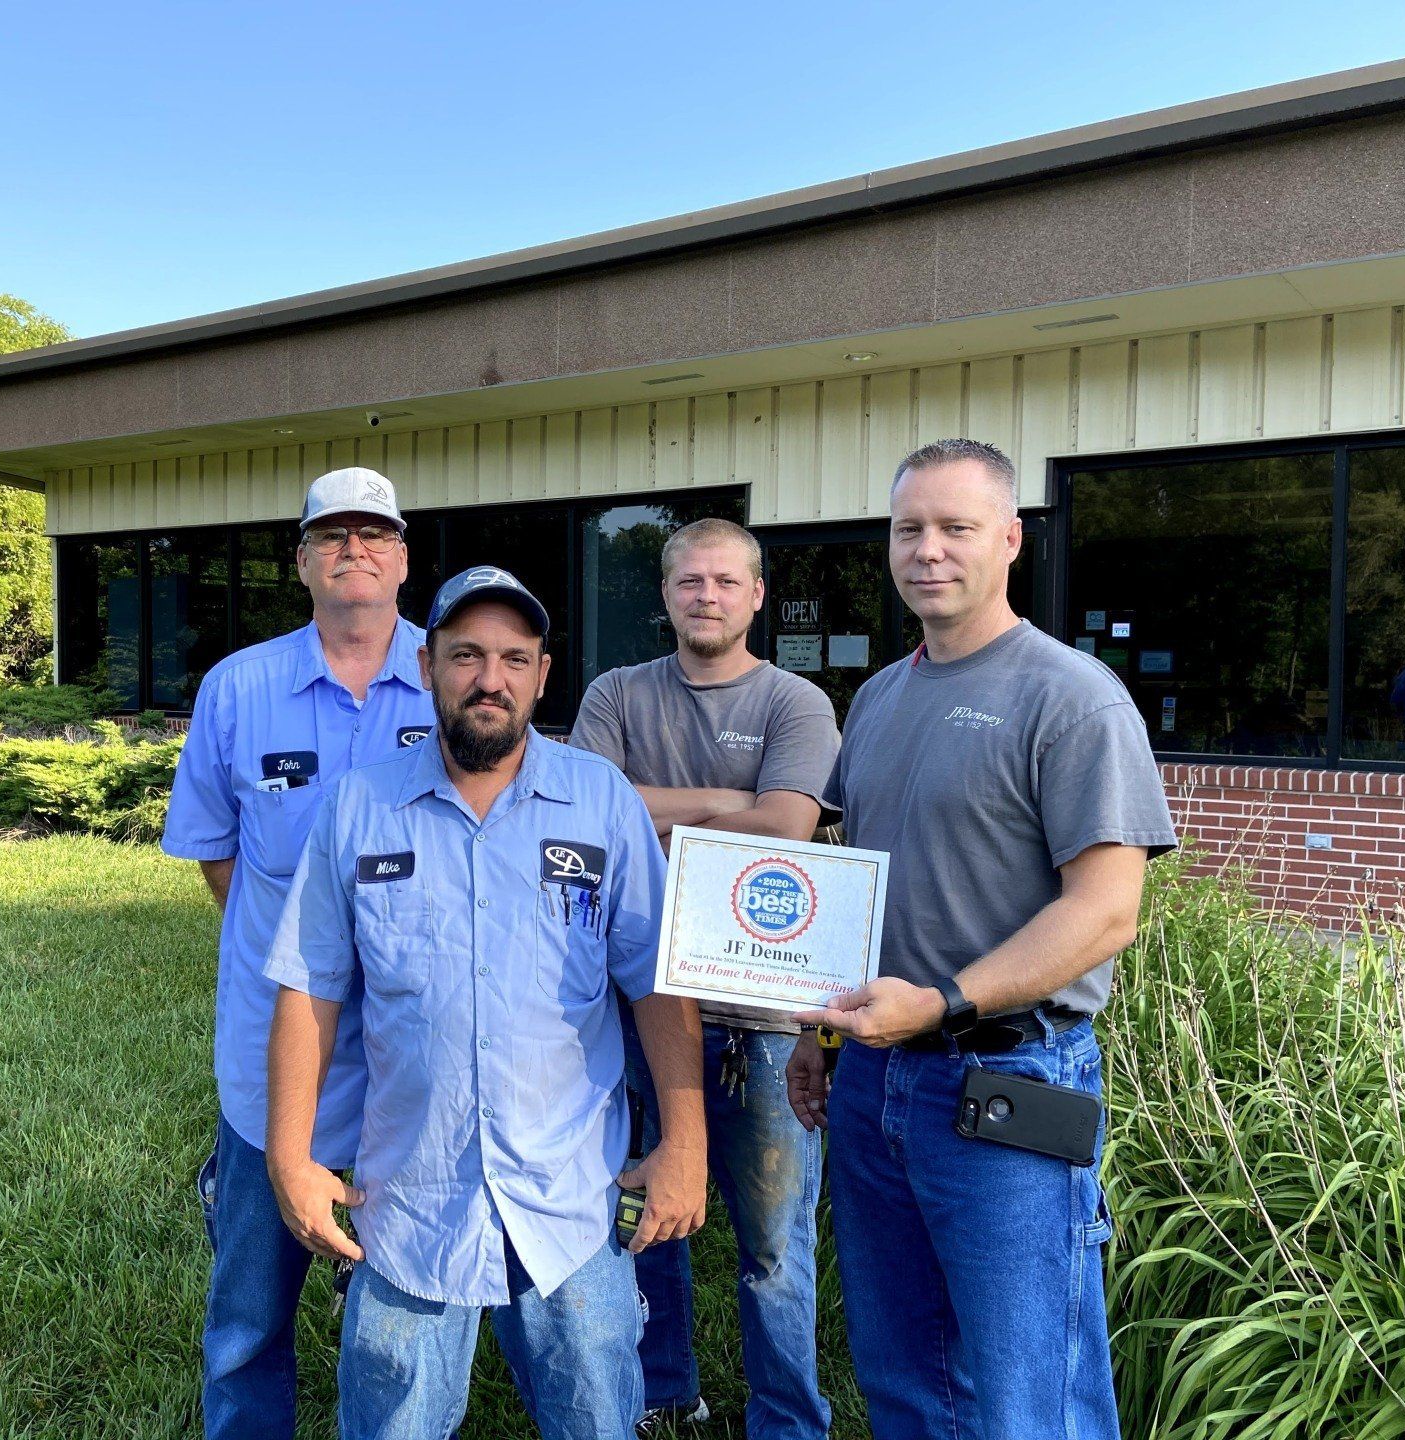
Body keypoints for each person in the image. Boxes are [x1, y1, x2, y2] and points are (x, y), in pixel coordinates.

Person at [786, 438, 1177, 1440]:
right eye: (909, 528)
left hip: (1008, 1084)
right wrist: (818, 1032)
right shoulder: (875, 698)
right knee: (905, 1375)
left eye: (956, 528)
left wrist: (946, 1001)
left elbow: (1104, 911)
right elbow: (863, 889)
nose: (929, 550)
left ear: (1009, 538)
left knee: (1026, 1392)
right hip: (876, 1083)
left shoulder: (1071, 696)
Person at [262, 565, 710, 1440]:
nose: (490, 679)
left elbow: (655, 980)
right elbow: (308, 987)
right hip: (410, 1203)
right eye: (467, 655)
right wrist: (290, 1158)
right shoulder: (359, 806)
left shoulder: (601, 800)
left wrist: (685, 1145)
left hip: (572, 1199)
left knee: (596, 1421)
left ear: (545, 674)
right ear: (427, 665)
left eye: (515, 657)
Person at [161, 467, 436, 1440]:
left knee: (406, 1309)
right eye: (332, 536)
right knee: (247, 1315)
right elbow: (216, 855)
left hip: (418, 1052)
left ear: (403, 558)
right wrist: (297, 957)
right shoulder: (239, 689)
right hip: (273, 1051)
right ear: (301, 561)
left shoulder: (454, 677)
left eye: (374, 534)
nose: (352, 549)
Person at [569, 517, 838, 1439]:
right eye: (690, 582)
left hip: (761, 1017)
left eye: (727, 582)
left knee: (775, 1248)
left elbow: (792, 829)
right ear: (667, 595)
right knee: (648, 1214)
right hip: (640, 1006)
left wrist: (668, 825)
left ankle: (789, 1419)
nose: (707, 597)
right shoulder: (616, 693)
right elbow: (592, 816)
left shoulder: (795, 704)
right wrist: (734, 805)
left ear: (757, 595)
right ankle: (663, 1394)